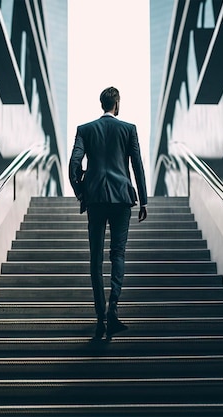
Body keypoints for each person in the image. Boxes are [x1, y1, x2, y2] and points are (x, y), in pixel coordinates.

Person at [69, 86, 148, 339]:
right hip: (121, 198)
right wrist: (143, 200)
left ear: (102, 104)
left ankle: (100, 318)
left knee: (95, 259)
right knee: (118, 254)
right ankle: (113, 308)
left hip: (95, 199)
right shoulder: (128, 129)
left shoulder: (85, 130)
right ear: (117, 105)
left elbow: (74, 164)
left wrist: (81, 190)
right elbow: (137, 166)